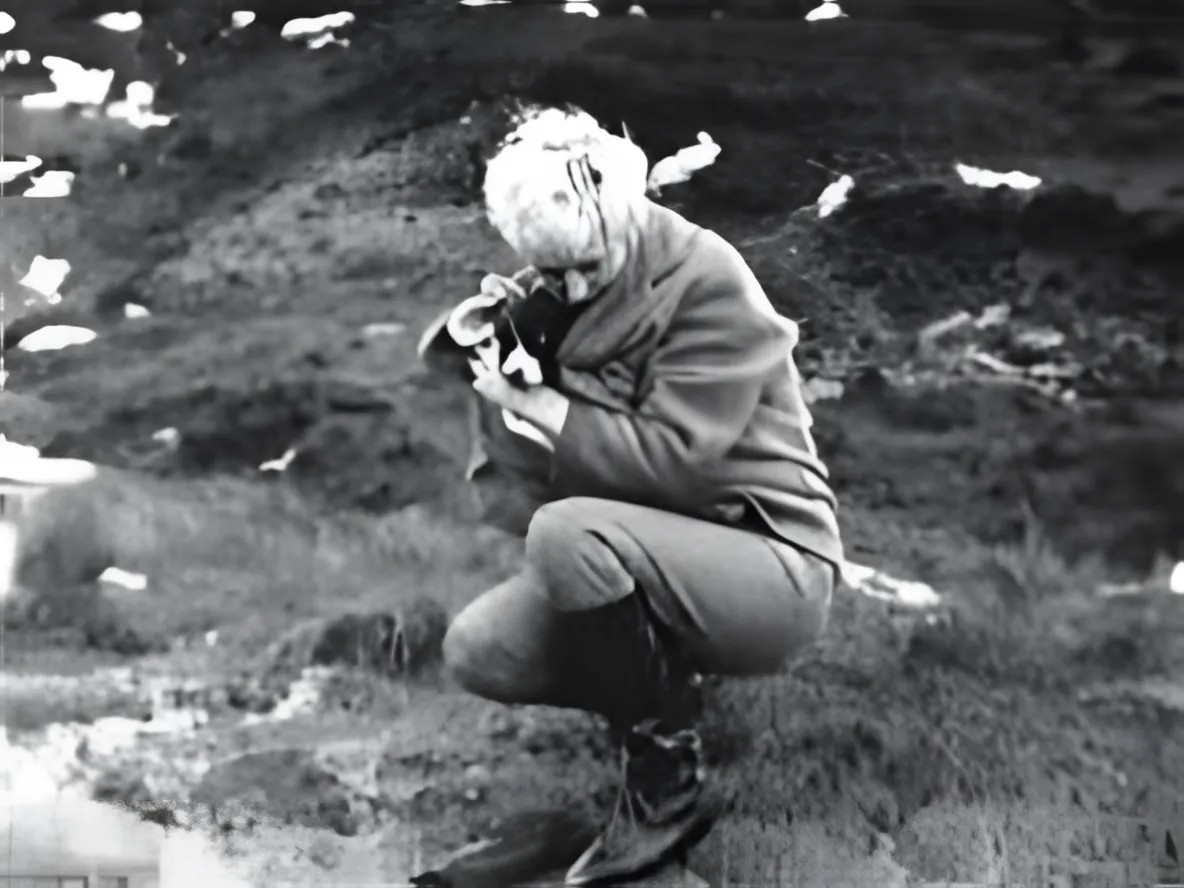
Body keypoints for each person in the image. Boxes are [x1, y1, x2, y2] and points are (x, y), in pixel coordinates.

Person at [422, 108, 843, 885]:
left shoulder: (708, 281)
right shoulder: (560, 293)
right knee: (480, 649)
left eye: (584, 264)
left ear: (625, 212)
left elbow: (680, 463)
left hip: (770, 563)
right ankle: (660, 703)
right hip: (653, 554)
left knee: (566, 534)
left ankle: (665, 792)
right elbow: (508, 419)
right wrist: (483, 341)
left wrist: (549, 408)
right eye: (551, 273)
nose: (572, 288)